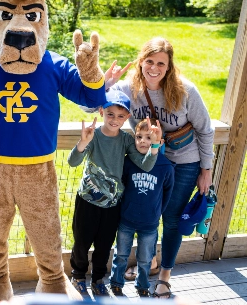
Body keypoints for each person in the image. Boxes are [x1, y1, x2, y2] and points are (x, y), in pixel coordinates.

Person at [106, 37, 214, 298]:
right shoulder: (128, 89)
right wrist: (106, 85)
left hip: (184, 162)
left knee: (172, 219)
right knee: (147, 213)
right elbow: (92, 107)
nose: (154, 68)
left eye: (161, 64)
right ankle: (150, 261)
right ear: (141, 62)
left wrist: (206, 171)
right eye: (150, 62)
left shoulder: (186, 90)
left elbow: (206, 130)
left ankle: (164, 275)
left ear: (169, 67)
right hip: (147, 161)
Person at [67, 89, 162, 297]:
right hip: (88, 201)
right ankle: (78, 276)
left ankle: (98, 278)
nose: (115, 119)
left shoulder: (126, 140)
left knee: (104, 244)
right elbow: (73, 162)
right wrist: (83, 141)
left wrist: (155, 145)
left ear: (127, 117)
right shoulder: (94, 135)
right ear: (102, 111)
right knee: (82, 241)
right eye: (110, 114)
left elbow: (145, 166)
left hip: (112, 205)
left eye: (120, 116)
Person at [108, 119, 175, 298]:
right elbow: (121, 185)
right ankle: (115, 284)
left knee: (145, 259)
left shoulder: (165, 167)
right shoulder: (129, 162)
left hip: (149, 223)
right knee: (120, 254)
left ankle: (143, 287)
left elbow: (167, 192)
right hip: (126, 219)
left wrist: (157, 212)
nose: (143, 141)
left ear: (159, 142)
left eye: (149, 137)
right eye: (139, 137)